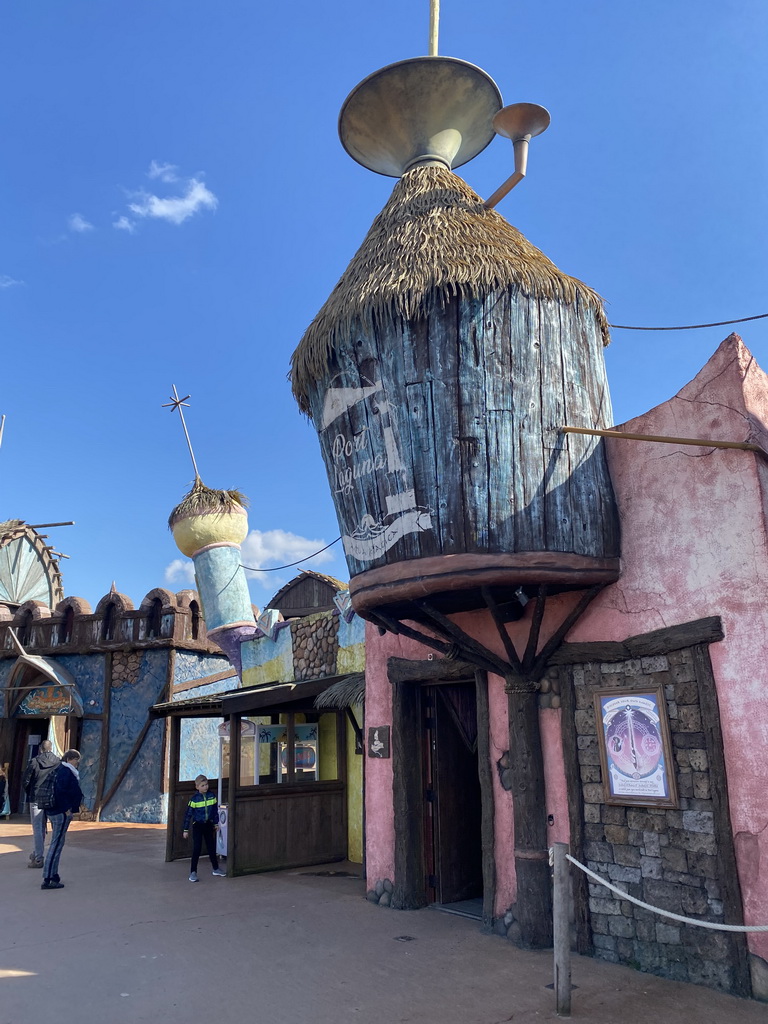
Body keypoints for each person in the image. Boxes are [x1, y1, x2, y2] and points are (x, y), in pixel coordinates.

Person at [41, 749, 83, 891]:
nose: (78, 763)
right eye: (77, 760)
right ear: (71, 759)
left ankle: (53, 874)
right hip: (60, 812)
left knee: (58, 843)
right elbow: (61, 791)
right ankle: (48, 878)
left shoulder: (59, 770)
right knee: (56, 844)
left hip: (55, 811)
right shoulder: (65, 771)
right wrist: (66, 809)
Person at [21, 740, 60, 868]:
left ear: (40, 749)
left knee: (38, 827)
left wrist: (30, 792)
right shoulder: (58, 762)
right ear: (51, 748)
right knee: (52, 828)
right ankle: (42, 854)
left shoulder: (34, 762)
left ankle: (38, 857)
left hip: (36, 798)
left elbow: (26, 780)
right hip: (52, 798)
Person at [182, 774, 226, 882]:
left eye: (206, 784)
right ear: (197, 787)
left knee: (211, 847)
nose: (205, 787)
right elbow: (188, 815)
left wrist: (216, 824)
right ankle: (193, 872)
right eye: (202, 785)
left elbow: (215, 812)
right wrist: (185, 829)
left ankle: (215, 868)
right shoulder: (194, 799)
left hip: (208, 825)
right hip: (197, 825)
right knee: (197, 848)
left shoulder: (212, 796)